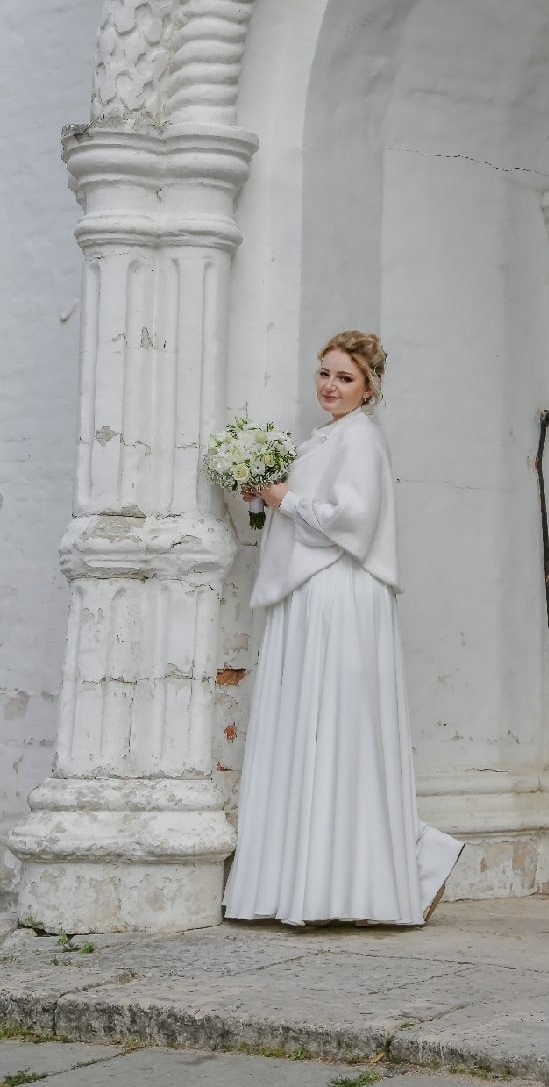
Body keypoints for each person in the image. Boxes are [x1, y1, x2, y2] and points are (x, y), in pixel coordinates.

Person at [222, 331, 463, 926]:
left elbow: (352, 517)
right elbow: (307, 504)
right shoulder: (327, 437)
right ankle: (311, 882)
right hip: (314, 594)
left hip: (340, 594)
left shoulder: (362, 439)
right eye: (324, 374)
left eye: (344, 378)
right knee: (311, 726)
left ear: (369, 388)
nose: (329, 386)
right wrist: (264, 497)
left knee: (338, 727)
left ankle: (373, 875)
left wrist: (285, 501)